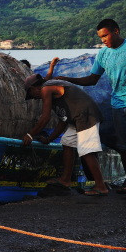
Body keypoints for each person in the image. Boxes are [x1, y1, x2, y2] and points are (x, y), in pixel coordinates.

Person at [51, 18, 126, 198]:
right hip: (117, 103)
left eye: (106, 35)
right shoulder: (103, 54)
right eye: (101, 37)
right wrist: (69, 80)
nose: (103, 40)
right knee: (122, 145)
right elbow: (92, 79)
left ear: (116, 31)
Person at [22, 67, 109, 196]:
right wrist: (49, 139)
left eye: (32, 94)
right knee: (67, 142)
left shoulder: (46, 88)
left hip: (86, 115)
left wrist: (30, 134)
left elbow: (45, 117)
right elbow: (63, 121)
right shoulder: (54, 95)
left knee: (86, 150)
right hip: (76, 118)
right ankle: (65, 180)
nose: (35, 98)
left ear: (35, 88)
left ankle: (101, 186)